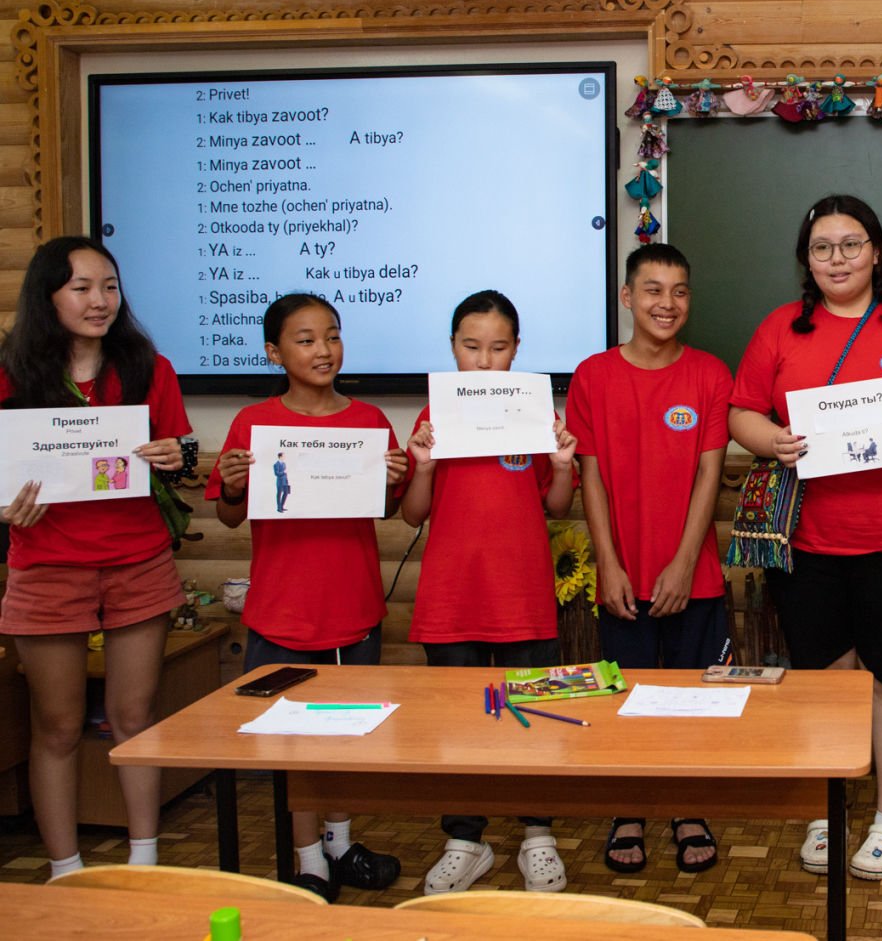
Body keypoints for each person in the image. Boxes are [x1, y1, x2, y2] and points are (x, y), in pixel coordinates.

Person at [728, 194, 882, 881]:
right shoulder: (780, 328)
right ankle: (827, 813)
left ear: (876, 252)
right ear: (806, 259)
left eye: (851, 244)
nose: (838, 259)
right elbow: (741, 411)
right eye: (822, 247)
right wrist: (772, 439)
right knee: (825, 678)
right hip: (810, 540)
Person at [206, 293, 409, 900]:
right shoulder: (254, 423)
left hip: (353, 608)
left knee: (346, 735)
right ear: (274, 352)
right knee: (293, 742)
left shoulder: (369, 419)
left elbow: (387, 508)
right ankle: (308, 858)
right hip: (283, 611)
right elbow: (228, 516)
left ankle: (340, 844)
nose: (324, 350)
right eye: (306, 339)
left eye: (333, 335)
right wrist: (234, 486)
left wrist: (394, 480)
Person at [0, 236, 191, 880]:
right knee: (56, 725)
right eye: (81, 287)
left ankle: (144, 860)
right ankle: (66, 868)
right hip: (46, 565)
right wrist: (4, 508)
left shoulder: (148, 368)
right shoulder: (12, 374)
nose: (100, 300)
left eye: (109, 286)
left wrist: (175, 456)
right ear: (47, 295)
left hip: (138, 561)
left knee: (134, 716)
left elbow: (184, 455)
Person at [401, 290, 579, 894]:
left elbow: (557, 506)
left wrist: (561, 464)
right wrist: (424, 467)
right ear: (452, 347)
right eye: (471, 346)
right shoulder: (433, 416)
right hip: (452, 598)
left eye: (498, 347)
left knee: (532, 715)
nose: (483, 360)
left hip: (523, 596)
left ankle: (538, 834)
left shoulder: (532, 414)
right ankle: (465, 839)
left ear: (517, 349)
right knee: (459, 724)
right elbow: (412, 515)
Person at [565, 244, 734, 875]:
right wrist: (608, 564)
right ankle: (630, 809)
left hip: (696, 576)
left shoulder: (711, 374)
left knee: (692, 698)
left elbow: (709, 475)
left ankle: (688, 807)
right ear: (627, 297)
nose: (668, 303)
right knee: (625, 697)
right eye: (654, 290)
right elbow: (590, 476)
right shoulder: (592, 376)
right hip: (621, 574)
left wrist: (685, 563)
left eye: (680, 291)